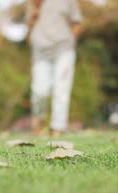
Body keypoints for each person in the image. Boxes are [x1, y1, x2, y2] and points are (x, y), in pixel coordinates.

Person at [26, 0, 83, 137]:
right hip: (40, 52)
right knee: (40, 91)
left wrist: (70, 41)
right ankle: (38, 123)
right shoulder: (32, 3)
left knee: (61, 89)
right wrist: (33, 16)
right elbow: (29, 29)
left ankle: (57, 129)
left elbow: (77, 23)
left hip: (63, 49)